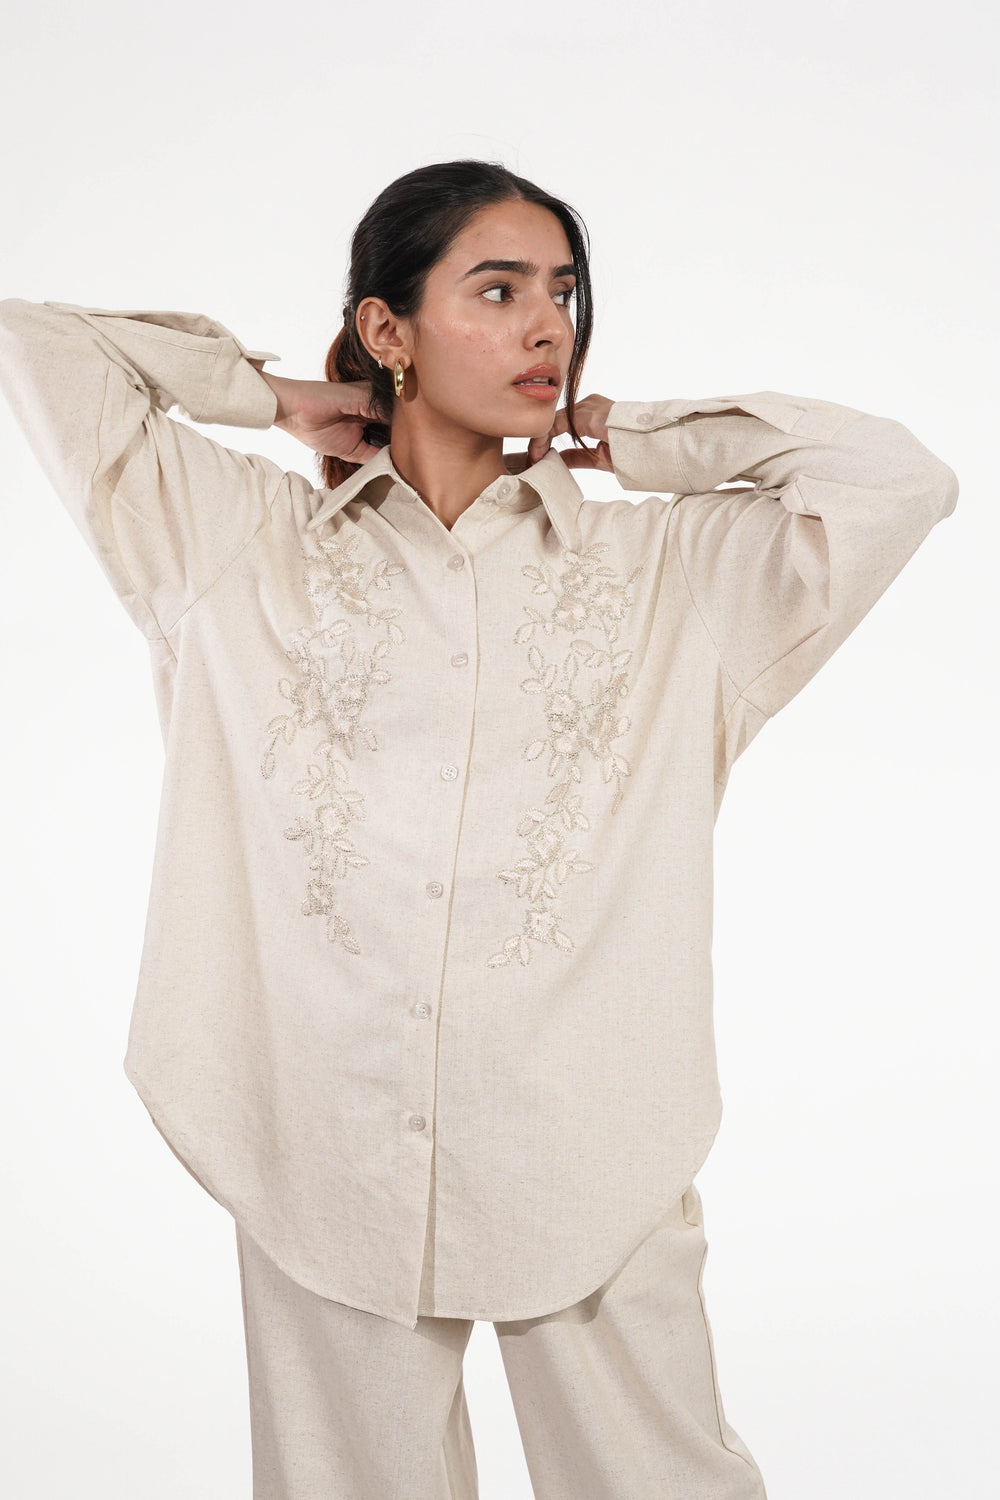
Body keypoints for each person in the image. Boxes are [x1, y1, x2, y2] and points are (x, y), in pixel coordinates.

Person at [0, 158, 959, 1499]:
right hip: (325, 1144)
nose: (545, 328)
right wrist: (270, 397)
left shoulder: (672, 574)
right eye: (497, 291)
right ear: (387, 329)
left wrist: (638, 440)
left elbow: (898, 482)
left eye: (562, 293)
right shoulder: (236, 545)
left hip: (591, 1145)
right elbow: (35, 343)